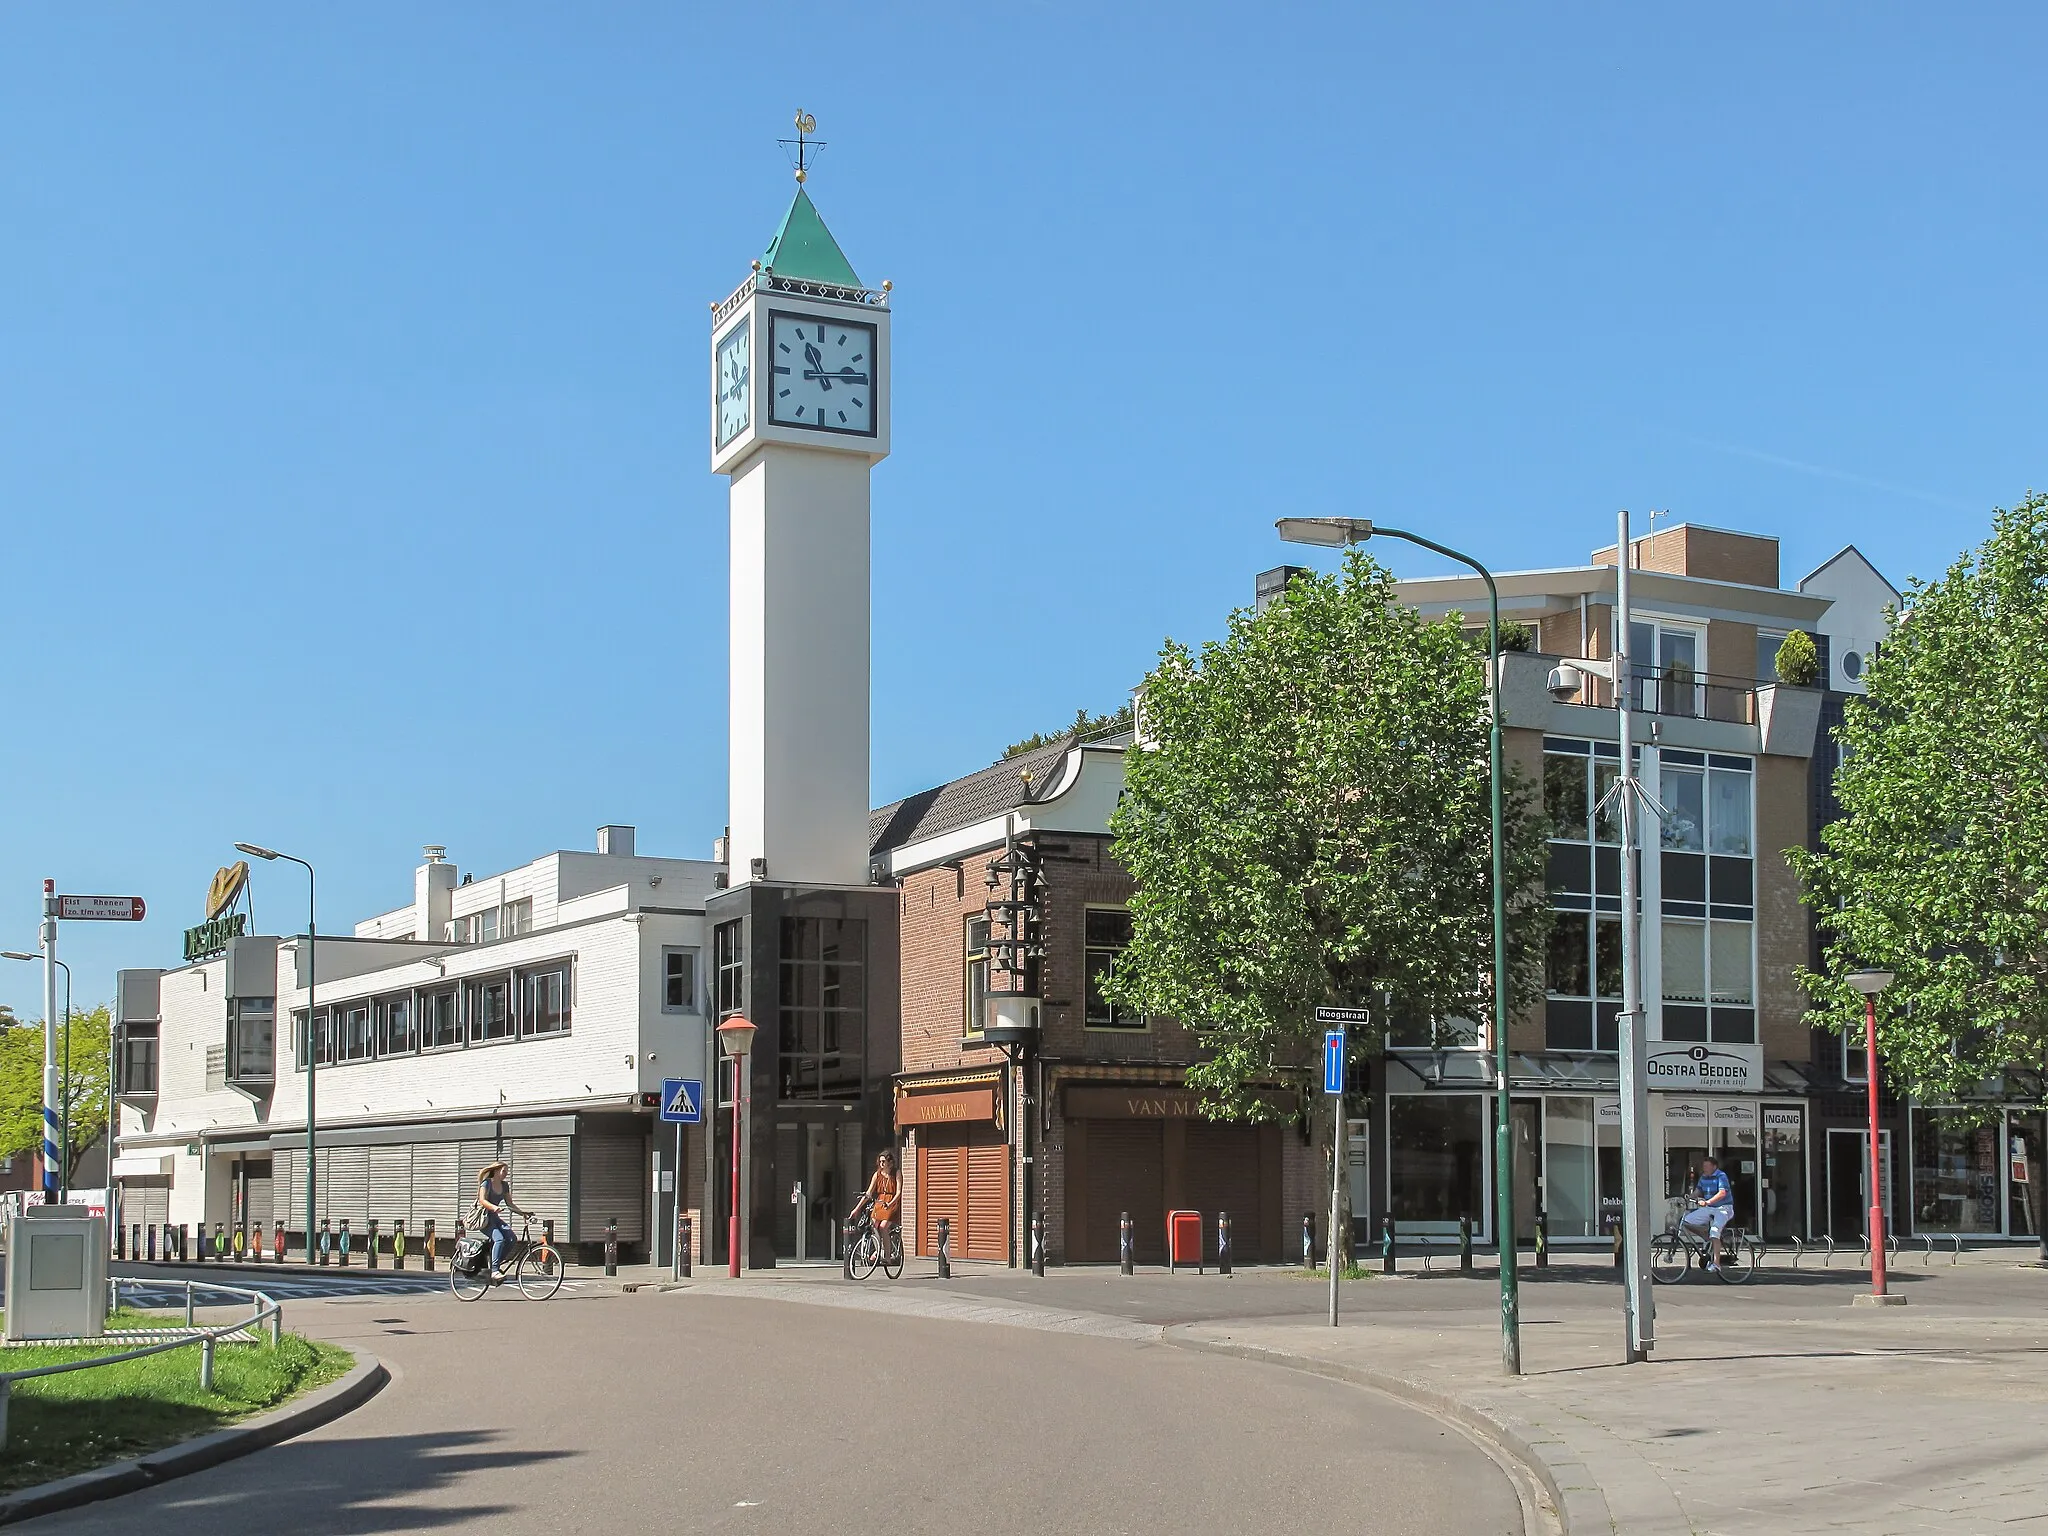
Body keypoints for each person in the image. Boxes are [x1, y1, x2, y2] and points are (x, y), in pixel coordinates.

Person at [475, 1161, 532, 1282]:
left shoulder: (504, 1185)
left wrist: (523, 1213)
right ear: (496, 1171)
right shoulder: (487, 1183)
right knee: (499, 1239)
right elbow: (482, 1200)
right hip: (485, 1218)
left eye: (507, 1171)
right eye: (503, 1171)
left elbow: (509, 1203)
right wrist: (494, 1207)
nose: (506, 1173)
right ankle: (494, 1270)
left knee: (511, 1238)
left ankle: (494, 1263)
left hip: (495, 1218)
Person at [1682, 1154, 1735, 1272]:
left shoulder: (1721, 1176)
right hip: (1709, 1207)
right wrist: (1689, 1197)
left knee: (1715, 1231)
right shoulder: (1703, 1177)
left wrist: (1708, 1202)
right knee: (1686, 1220)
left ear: (1714, 1167)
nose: (1704, 1168)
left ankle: (1716, 1264)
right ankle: (1706, 1236)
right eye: (1703, 1166)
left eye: (1707, 1166)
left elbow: (1722, 1193)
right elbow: (1698, 1190)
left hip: (1723, 1208)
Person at [861, 1151, 901, 1261]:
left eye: (884, 1161)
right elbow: (869, 1192)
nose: (881, 1163)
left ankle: (887, 1256)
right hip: (880, 1202)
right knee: (873, 1225)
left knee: (883, 1227)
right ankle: (878, 1250)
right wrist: (856, 1209)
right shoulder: (877, 1174)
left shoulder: (896, 1173)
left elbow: (898, 1192)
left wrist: (890, 1203)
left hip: (891, 1202)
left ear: (890, 1162)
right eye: (880, 1161)